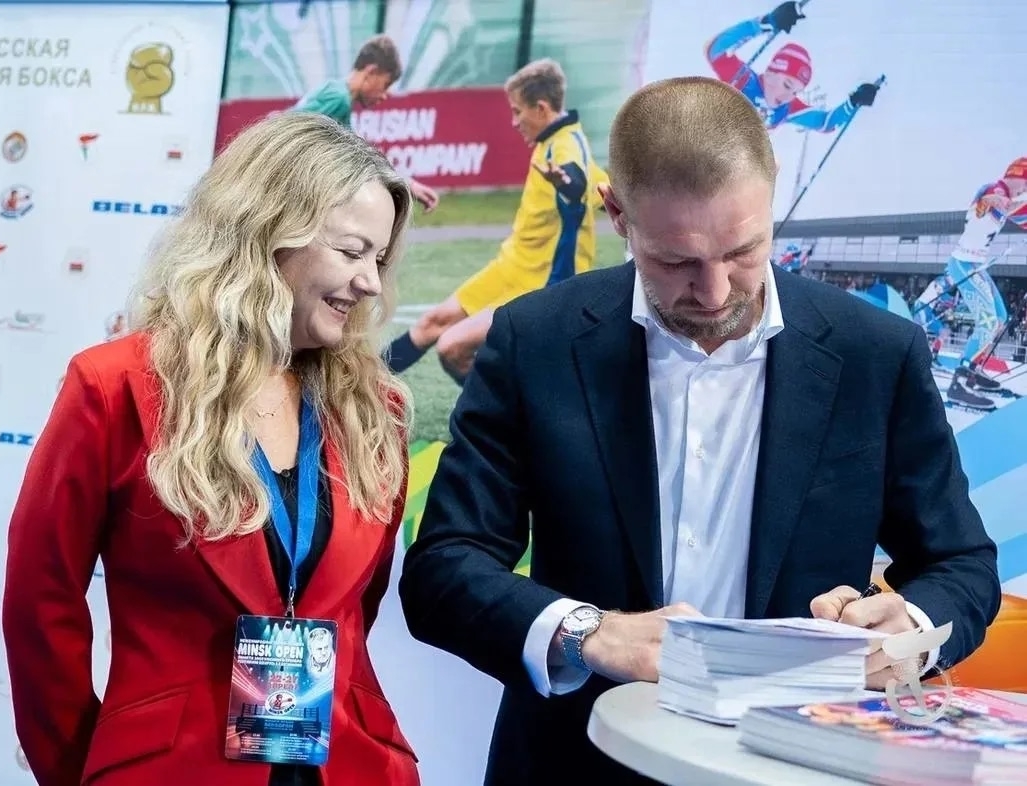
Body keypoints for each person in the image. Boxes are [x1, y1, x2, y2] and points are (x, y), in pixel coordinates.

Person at [398, 76, 1001, 785]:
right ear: (616, 213)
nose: (715, 293)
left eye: (743, 250)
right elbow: (445, 566)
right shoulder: (535, 341)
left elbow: (961, 564)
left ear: (771, 196)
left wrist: (909, 628)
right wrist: (589, 632)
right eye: (676, 261)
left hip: (799, 766)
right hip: (575, 762)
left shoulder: (876, 354)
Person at [2, 112, 421, 786]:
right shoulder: (114, 387)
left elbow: (353, 610)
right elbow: (39, 603)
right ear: (268, 233)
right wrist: (81, 770)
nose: (371, 281)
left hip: (347, 765)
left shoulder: (377, 410)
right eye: (351, 252)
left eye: (379, 259)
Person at [384, 58, 606, 385]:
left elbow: (574, 180)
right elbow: (605, 191)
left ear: (541, 108)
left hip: (538, 284)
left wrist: (568, 183)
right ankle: (360, 388)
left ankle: (502, 412)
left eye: (518, 112)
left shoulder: (567, 146)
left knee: (452, 348)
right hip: (511, 268)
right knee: (432, 323)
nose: (514, 122)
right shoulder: (553, 141)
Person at [912, 156, 1027, 412]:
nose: (1024, 189)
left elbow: (1018, 214)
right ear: (1015, 175)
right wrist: (1011, 200)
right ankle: (960, 383)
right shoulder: (995, 188)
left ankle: (974, 370)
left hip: (977, 266)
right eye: (1025, 183)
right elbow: (994, 200)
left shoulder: (1009, 197)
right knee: (987, 322)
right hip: (964, 264)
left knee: (999, 318)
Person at [292, 33, 439, 213]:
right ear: (371, 72)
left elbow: (361, 153)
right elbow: (288, 130)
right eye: (386, 84)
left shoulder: (335, 91)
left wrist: (407, 183)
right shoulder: (339, 99)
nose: (385, 95)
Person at [706, 1, 880, 133]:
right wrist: (767, 23)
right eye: (787, 85)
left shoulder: (786, 108)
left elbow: (825, 122)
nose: (787, 96)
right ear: (770, 73)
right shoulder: (744, 80)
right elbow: (716, 50)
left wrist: (853, 102)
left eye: (795, 92)